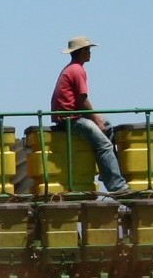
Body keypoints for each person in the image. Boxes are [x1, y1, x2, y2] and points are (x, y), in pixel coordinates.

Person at [50, 36, 131, 195]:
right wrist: (95, 120)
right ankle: (118, 187)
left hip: (70, 115)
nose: (90, 53)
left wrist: (100, 121)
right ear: (80, 52)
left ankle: (106, 170)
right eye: (88, 50)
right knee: (104, 145)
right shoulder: (77, 70)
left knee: (108, 125)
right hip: (70, 119)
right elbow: (82, 100)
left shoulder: (71, 68)